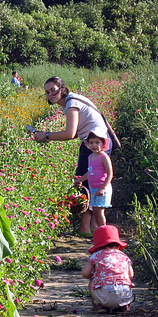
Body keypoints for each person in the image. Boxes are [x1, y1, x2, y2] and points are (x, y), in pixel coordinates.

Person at [33, 76, 112, 237]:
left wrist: (46, 135)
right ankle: (91, 226)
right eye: (47, 92)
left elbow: (70, 133)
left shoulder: (71, 104)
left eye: (53, 90)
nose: (50, 94)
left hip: (95, 143)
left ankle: (89, 228)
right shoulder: (70, 102)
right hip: (94, 141)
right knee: (88, 180)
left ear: (62, 88)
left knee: (86, 183)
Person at [81, 225, 134, 314]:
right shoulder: (123, 256)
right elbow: (131, 275)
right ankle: (124, 306)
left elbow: (85, 273)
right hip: (125, 295)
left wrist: (93, 277)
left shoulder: (96, 255)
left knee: (93, 282)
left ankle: (99, 305)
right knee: (125, 282)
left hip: (104, 295)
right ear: (117, 244)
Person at [74, 127, 113, 228]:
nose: (94, 145)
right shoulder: (91, 156)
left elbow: (110, 174)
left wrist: (103, 188)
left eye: (97, 142)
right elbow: (90, 172)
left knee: (99, 212)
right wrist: (80, 180)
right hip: (93, 188)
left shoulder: (104, 157)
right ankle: (99, 232)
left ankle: (103, 232)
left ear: (103, 144)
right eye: (91, 143)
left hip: (102, 188)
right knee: (95, 211)